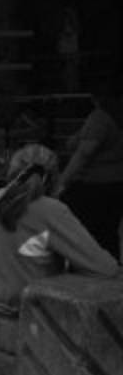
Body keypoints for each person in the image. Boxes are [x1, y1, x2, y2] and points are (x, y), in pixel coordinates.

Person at [0, 144, 119, 306]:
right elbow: (104, 268)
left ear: (12, 173)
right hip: (20, 306)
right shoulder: (50, 209)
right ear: (54, 179)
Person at [56, 80, 123, 260]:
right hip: (116, 184)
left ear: (96, 99)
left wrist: (61, 182)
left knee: (86, 234)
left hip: (94, 186)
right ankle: (111, 272)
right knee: (108, 233)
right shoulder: (113, 118)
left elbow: (84, 153)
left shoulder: (100, 118)